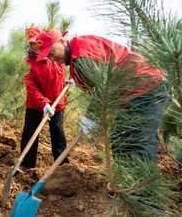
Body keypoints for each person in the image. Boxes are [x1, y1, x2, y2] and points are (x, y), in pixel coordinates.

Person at [38, 32, 167, 162]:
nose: (52, 57)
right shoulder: (79, 50)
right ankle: (125, 179)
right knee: (120, 139)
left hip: (146, 86)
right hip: (132, 92)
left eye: (52, 51)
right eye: (48, 55)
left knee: (138, 142)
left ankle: (143, 181)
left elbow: (103, 89)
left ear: (61, 41)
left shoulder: (81, 56)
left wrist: (90, 116)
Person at [19, 26, 69, 173]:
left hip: (57, 103)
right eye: (32, 44)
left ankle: (62, 166)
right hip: (36, 105)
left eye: (37, 43)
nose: (35, 47)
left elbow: (62, 72)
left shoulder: (55, 56)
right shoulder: (30, 63)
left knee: (58, 132)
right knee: (30, 132)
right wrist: (44, 103)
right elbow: (32, 87)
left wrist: (69, 80)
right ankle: (26, 166)